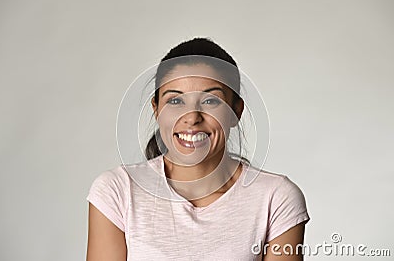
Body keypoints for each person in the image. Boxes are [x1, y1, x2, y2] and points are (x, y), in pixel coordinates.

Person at [86, 38, 310, 261]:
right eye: (175, 101)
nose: (192, 117)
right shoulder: (118, 191)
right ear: (157, 109)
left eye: (211, 101)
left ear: (236, 111)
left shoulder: (276, 197)